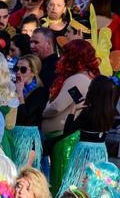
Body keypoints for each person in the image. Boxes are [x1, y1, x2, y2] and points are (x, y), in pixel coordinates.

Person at [42, 40, 100, 191]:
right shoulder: (86, 77)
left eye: (64, 54)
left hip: (65, 140)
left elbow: (57, 107)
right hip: (67, 137)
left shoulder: (78, 79)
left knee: (61, 184)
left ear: (72, 57)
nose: (60, 58)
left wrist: (44, 111)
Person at [56, 76, 116, 194]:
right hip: (100, 151)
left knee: (79, 181)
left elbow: (68, 130)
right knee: (97, 181)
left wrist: (73, 109)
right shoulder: (110, 112)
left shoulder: (89, 112)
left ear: (93, 91)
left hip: (84, 152)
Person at [4, 55, 47, 169]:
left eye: (23, 70)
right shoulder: (12, 89)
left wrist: (20, 93)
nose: (18, 73)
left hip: (27, 138)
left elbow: (26, 115)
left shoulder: (40, 91)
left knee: (22, 171)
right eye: (16, 69)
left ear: (33, 72)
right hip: (12, 135)